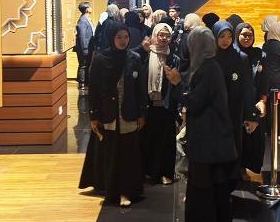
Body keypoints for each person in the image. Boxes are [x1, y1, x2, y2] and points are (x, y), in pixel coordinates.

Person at [79, 23, 148, 207]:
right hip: (108, 115)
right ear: (111, 38)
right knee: (111, 154)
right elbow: (94, 90)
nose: (123, 41)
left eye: (126, 37)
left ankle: (127, 191)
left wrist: (142, 113)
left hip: (129, 114)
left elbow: (140, 89)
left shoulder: (134, 58)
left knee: (129, 155)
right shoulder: (101, 59)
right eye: (119, 37)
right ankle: (112, 191)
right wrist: (93, 116)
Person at [183, 27, 238, 222]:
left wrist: (177, 84)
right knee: (213, 186)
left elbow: (196, 102)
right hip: (211, 138)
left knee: (205, 188)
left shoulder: (208, 68)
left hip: (207, 140)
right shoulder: (209, 66)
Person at [212, 21, 259, 181]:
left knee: (234, 144)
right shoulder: (210, 56)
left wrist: (251, 115)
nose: (226, 40)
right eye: (222, 36)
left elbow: (248, 88)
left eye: (229, 36)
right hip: (214, 111)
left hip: (234, 111)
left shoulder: (240, 57)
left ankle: (232, 177)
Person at [142, 23, 182, 185]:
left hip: (167, 105)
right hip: (149, 105)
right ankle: (149, 172)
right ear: (155, 35)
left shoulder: (174, 58)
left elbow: (178, 83)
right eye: (161, 35)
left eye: (167, 35)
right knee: (149, 139)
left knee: (166, 141)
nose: (164, 38)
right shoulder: (146, 55)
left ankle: (166, 173)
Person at [235, 22, 267, 174]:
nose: (247, 38)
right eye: (244, 35)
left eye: (250, 35)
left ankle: (246, 168)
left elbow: (265, 80)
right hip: (237, 103)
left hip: (255, 102)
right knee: (239, 138)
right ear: (237, 35)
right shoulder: (233, 54)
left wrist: (262, 100)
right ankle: (237, 169)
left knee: (253, 139)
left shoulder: (259, 54)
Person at [75, 2, 94, 91]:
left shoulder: (87, 19)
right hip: (84, 48)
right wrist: (84, 49)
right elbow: (82, 36)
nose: (91, 8)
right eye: (90, 7)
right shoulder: (82, 21)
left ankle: (86, 82)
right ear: (87, 9)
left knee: (86, 65)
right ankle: (82, 83)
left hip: (88, 47)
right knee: (83, 65)